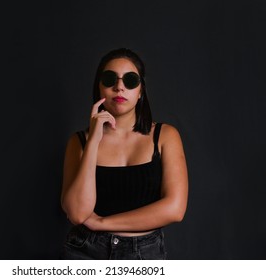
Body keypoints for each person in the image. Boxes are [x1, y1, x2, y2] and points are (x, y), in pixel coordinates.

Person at [60, 48, 188, 260]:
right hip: (86, 251)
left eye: (130, 80)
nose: (119, 87)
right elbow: (77, 213)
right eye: (110, 79)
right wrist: (93, 140)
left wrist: (102, 223)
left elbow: (175, 209)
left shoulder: (165, 136)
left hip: (144, 254)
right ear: (99, 88)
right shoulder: (79, 142)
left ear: (141, 92)